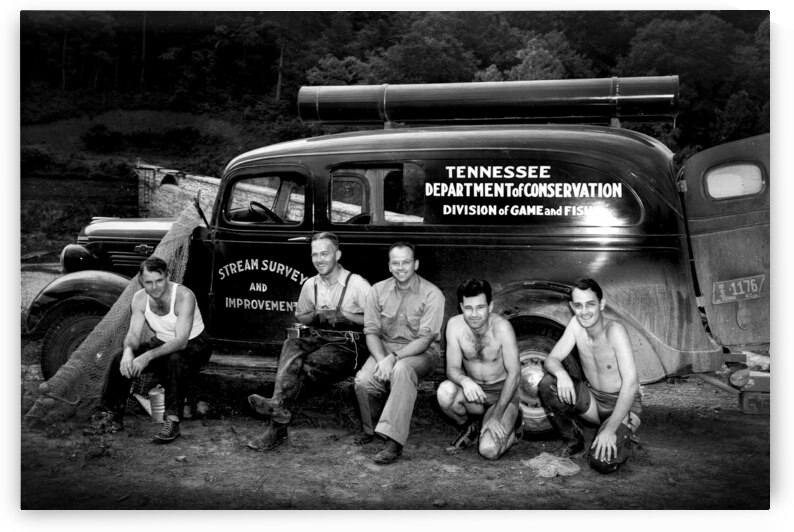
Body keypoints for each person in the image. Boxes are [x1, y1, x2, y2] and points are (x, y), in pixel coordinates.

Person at [246, 232, 371, 452]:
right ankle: (278, 406)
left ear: (337, 254)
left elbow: (376, 321)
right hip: (318, 336)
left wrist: (346, 316)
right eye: (315, 255)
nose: (319, 259)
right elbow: (301, 316)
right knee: (290, 345)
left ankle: (277, 426)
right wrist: (315, 315)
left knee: (303, 367)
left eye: (325, 253)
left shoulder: (358, 284)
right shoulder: (310, 284)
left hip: (348, 344)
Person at [98, 256, 212, 443]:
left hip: (195, 343)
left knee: (175, 359)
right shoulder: (139, 299)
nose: (155, 287)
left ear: (168, 276)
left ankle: (172, 421)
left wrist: (147, 357)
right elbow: (133, 335)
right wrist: (128, 351)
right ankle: (112, 415)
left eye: (159, 280)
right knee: (120, 358)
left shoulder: (184, 296)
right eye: (149, 282)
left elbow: (181, 342)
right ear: (141, 281)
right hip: (162, 341)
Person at [353, 241, 444, 464]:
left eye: (406, 262)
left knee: (401, 370)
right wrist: (382, 359)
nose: (401, 267)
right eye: (396, 263)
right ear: (389, 266)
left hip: (422, 353)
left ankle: (394, 442)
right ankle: (371, 429)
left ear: (416, 264)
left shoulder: (432, 294)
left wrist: (392, 359)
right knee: (363, 381)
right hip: (386, 349)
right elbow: (372, 331)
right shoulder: (377, 290)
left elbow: (424, 340)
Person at [539, 278, 642, 474]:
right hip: (594, 402)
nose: (584, 311)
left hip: (623, 406)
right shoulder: (576, 325)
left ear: (601, 304)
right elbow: (551, 359)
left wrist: (611, 430)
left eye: (590, 304)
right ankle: (573, 440)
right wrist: (562, 374)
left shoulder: (615, 331)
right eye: (578, 305)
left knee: (602, 462)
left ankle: (622, 434)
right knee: (548, 383)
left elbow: (631, 384)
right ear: (572, 306)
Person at [436, 278, 522, 460]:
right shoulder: (454, 325)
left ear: (490, 306)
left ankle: (512, 426)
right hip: (475, 394)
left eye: (480, 307)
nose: (474, 314)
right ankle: (471, 428)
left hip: (502, 395)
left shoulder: (502, 328)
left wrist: (496, 416)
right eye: (468, 308)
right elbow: (451, 369)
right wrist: (465, 381)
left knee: (488, 451)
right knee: (444, 393)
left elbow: (515, 374)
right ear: (461, 306)